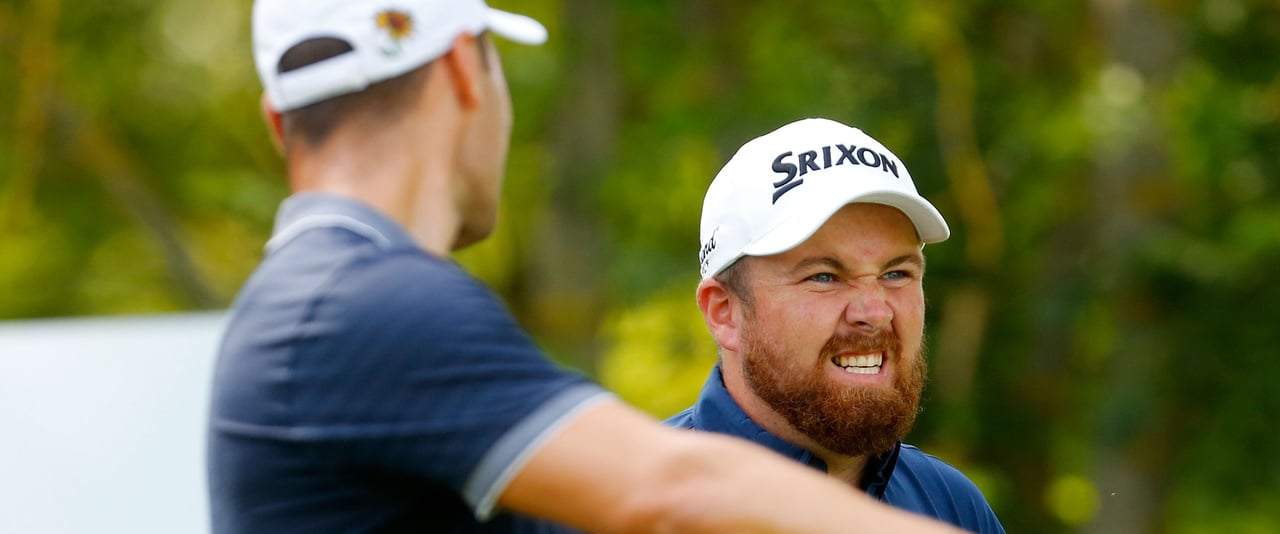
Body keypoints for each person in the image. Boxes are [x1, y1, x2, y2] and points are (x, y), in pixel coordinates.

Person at [206, 0, 973, 532]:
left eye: (897, 273)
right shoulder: (372, 304)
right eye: (824, 276)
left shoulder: (312, 297)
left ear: (279, 122)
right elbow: (676, 488)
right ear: (464, 70)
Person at [668, 118, 1006, 533]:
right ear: (724, 312)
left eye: (896, 273)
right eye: (824, 277)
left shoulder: (951, 506)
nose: (875, 312)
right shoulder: (630, 509)